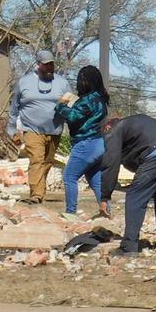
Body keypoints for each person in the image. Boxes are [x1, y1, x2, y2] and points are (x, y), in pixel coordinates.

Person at [98, 115, 156, 254]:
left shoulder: (116, 129)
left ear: (107, 127)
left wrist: (105, 196)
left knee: (135, 197)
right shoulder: (134, 125)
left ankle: (128, 247)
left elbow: (110, 163)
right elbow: (135, 158)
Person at [6, 49, 70, 204]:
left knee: (47, 162)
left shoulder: (62, 83)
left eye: (51, 64)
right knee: (36, 160)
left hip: (55, 131)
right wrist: (11, 128)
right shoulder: (24, 82)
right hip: (31, 129)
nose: (49, 67)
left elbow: (72, 105)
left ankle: (39, 190)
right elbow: (14, 108)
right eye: (46, 64)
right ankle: (36, 194)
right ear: (38, 64)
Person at [55, 65, 110, 217]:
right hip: (98, 143)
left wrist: (61, 105)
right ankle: (106, 212)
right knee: (95, 180)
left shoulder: (88, 100)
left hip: (86, 143)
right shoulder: (100, 98)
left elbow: (72, 116)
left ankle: (70, 213)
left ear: (85, 81)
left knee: (69, 176)